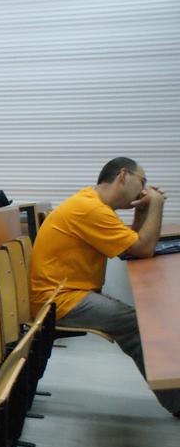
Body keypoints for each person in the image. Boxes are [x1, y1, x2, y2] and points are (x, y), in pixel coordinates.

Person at [30, 157, 180, 415]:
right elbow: (143, 249)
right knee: (136, 324)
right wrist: (156, 204)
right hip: (57, 301)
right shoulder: (90, 209)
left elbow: (130, 244)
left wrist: (142, 210)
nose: (144, 189)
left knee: (136, 320)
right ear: (123, 176)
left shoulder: (94, 204)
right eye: (142, 181)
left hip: (69, 294)